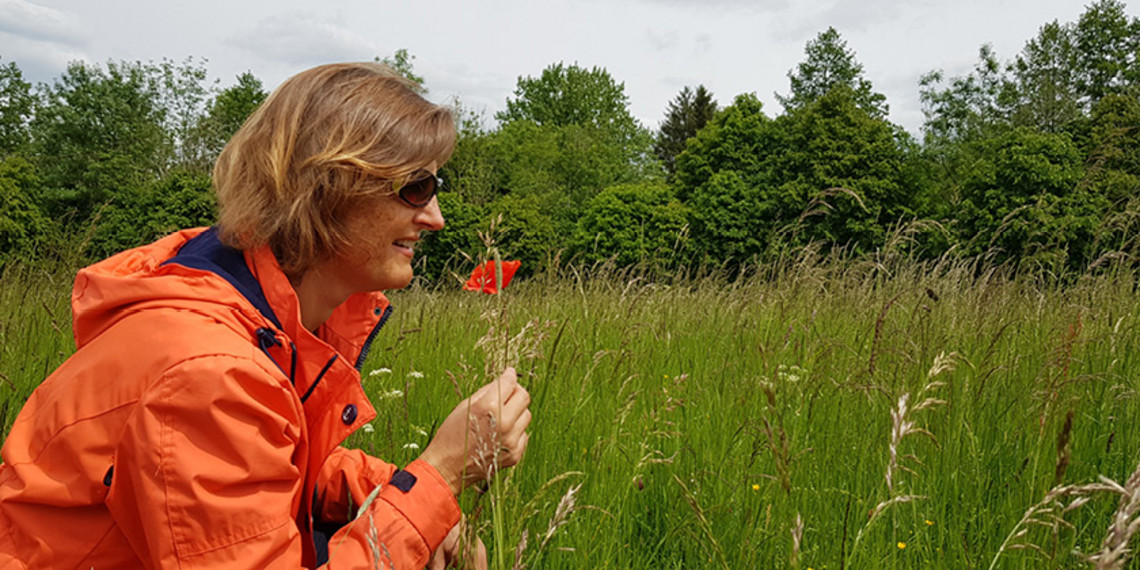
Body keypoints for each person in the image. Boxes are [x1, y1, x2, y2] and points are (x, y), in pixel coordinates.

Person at [0, 62, 530, 569]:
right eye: (415, 187)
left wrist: (405, 493)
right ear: (325, 190)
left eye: (437, 187)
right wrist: (441, 475)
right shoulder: (208, 373)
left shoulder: (255, 311)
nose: (435, 218)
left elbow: (277, 463)